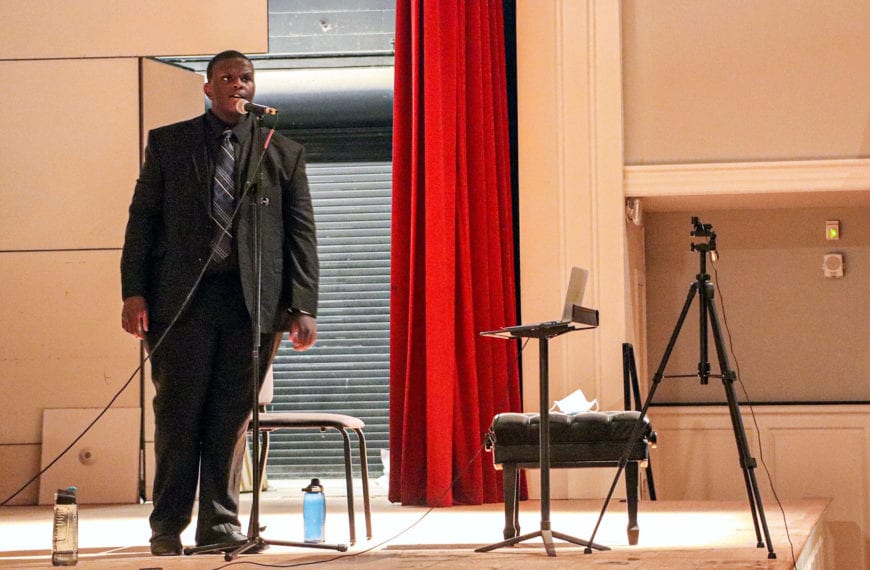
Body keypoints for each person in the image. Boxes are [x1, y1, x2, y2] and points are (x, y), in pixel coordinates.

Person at [120, 50, 319, 556]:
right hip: (180, 303)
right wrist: (134, 292)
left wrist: (302, 305)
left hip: (251, 307)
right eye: (227, 77)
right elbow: (142, 221)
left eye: (245, 77)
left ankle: (220, 526)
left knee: (230, 420)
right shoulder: (170, 144)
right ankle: (167, 527)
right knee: (179, 415)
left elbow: (300, 236)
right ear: (208, 88)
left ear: (255, 87)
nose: (238, 84)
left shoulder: (281, 150)